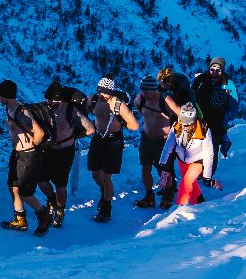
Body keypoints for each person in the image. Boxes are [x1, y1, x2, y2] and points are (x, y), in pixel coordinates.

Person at [0, 80, 53, 236]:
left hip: (29, 156)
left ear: (5, 96)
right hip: (18, 154)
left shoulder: (20, 112)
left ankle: (44, 215)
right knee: (13, 187)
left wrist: (32, 147)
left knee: (25, 193)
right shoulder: (11, 108)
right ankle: (20, 219)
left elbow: (39, 133)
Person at [36, 83, 94, 229]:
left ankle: (60, 212)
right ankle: (52, 200)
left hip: (65, 151)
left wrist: (73, 137)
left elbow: (90, 129)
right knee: (41, 179)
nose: (48, 103)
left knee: (61, 184)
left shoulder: (70, 110)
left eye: (51, 100)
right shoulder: (46, 108)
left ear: (59, 100)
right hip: (49, 149)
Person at [86, 78, 138, 223]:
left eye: (105, 92)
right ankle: (105, 194)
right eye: (100, 91)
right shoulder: (95, 100)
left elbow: (134, 126)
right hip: (98, 139)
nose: (102, 94)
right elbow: (89, 109)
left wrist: (120, 122)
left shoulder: (118, 105)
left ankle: (106, 209)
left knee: (106, 176)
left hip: (114, 140)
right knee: (95, 174)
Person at [191, 57, 238, 177]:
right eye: (213, 69)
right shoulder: (200, 80)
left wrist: (224, 120)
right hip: (199, 121)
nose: (215, 72)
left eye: (218, 69)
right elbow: (191, 97)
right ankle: (196, 174)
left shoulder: (228, 84)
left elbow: (234, 106)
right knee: (196, 149)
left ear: (223, 70)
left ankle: (208, 176)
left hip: (217, 124)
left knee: (212, 150)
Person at [133, 75, 175, 208]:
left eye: (147, 91)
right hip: (147, 138)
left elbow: (180, 114)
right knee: (145, 168)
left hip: (163, 141)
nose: (145, 94)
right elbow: (142, 112)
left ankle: (168, 194)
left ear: (154, 90)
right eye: (143, 91)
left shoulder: (165, 100)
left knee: (162, 170)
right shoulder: (140, 99)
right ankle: (149, 196)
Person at [161, 105, 215, 206]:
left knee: (185, 184)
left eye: (187, 123)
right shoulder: (176, 126)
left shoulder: (204, 130)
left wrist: (207, 176)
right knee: (192, 183)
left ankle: (179, 210)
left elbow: (209, 154)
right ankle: (200, 205)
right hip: (182, 161)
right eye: (182, 121)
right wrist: (163, 163)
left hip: (198, 161)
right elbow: (168, 146)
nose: (184, 125)